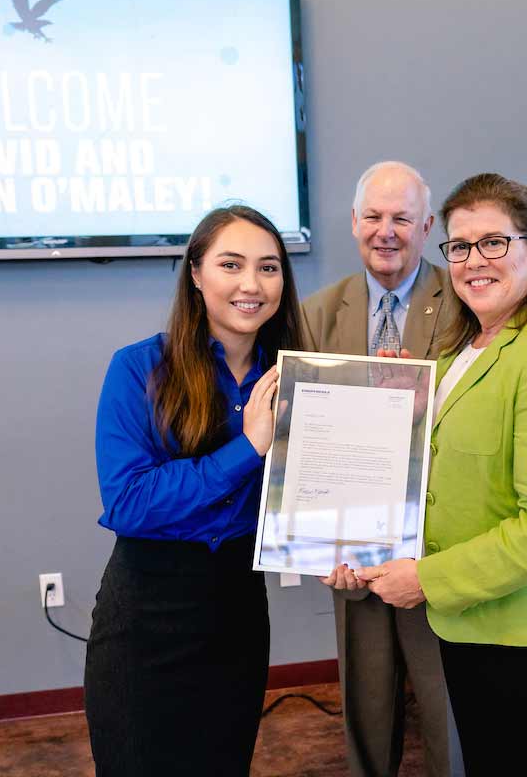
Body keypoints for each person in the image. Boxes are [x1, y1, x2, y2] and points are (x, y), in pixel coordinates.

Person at [357, 173, 527, 776]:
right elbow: (445, 474)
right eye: (460, 246)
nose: (474, 261)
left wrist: (426, 579)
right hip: (473, 627)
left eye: (494, 242)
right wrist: (400, 406)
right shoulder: (458, 350)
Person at [84, 205, 302, 776]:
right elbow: (130, 502)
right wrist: (247, 447)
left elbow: (318, 493)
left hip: (237, 608)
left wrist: (386, 403)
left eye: (269, 268)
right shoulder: (138, 369)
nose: (252, 285)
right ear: (196, 274)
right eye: (231, 264)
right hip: (147, 616)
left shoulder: (297, 378)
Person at [300, 161, 458, 777]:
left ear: (426, 225)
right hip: (353, 540)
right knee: (366, 696)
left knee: (445, 695)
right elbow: (305, 436)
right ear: (353, 224)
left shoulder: (463, 302)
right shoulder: (318, 312)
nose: (385, 231)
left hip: (438, 537)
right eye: (373, 217)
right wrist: (317, 542)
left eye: (401, 218)